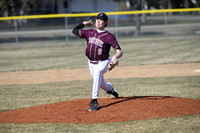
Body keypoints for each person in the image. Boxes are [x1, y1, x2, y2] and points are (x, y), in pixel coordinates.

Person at [72, 13, 123, 111]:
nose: (98, 21)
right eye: (97, 19)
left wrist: (115, 57)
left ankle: (94, 101)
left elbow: (119, 51)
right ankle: (110, 89)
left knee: (98, 73)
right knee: (100, 83)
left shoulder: (109, 36)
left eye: (101, 20)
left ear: (105, 23)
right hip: (91, 62)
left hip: (103, 62)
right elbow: (74, 31)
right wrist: (83, 23)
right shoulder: (89, 32)